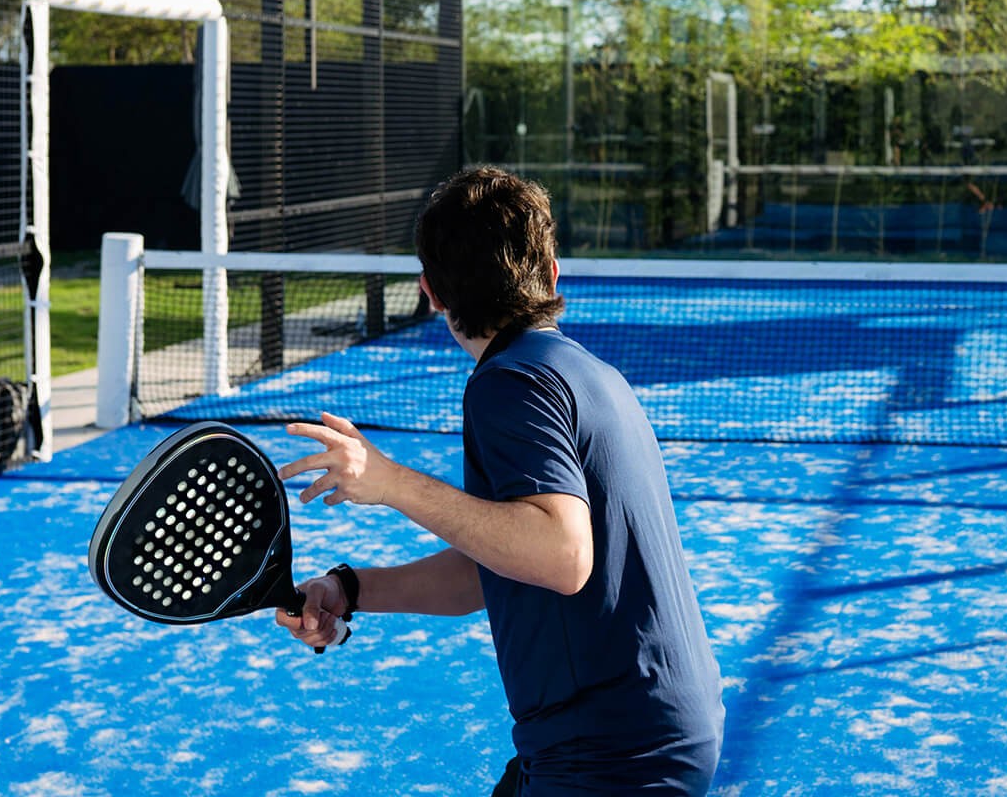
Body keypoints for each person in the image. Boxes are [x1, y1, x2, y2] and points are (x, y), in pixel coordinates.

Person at [274, 166, 724, 796]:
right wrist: (350, 589)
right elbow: (498, 564)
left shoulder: (510, 385)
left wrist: (389, 482)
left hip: (608, 754)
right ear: (552, 273)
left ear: (430, 291)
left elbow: (560, 557)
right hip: (644, 733)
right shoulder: (585, 374)